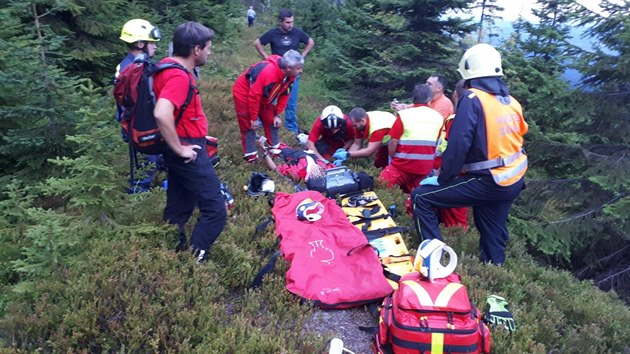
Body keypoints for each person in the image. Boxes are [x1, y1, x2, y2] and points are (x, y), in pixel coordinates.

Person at [411, 43, 528, 265]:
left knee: (421, 197)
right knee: (491, 230)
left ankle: (435, 261)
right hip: (511, 180)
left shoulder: (472, 98)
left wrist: (445, 177)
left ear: (469, 74)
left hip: (490, 181)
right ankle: (495, 275)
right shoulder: (511, 102)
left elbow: (459, 144)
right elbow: (518, 135)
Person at [153, 22, 227, 263]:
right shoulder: (178, 76)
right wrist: (179, 147)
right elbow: (162, 113)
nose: (210, 52)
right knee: (216, 210)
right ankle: (196, 260)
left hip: (181, 143)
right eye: (208, 47)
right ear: (196, 49)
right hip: (186, 149)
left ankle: (171, 249)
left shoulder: (167, 67)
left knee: (179, 204)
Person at [232, 50, 304, 163]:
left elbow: (285, 95)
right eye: (299, 68)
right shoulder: (269, 73)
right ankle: (250, 156)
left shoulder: (290, 76)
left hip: (264, 97)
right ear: (289, 67)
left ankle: (274, 149)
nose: (301, 71)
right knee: (249, 126)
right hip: (245, 94)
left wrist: (277, 114)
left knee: (272, 121)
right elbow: (254, 96)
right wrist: (254, 118)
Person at [115, 19, 162, 193]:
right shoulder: (138, 69)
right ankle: (138, 200)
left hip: (132, 124)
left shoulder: (125, 65)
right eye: (152, 43)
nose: (155, 47)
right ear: (140, 43)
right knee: (146, 168)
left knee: (149, 162)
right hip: (142, 127)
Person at [253, 8, 315, 133]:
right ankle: (263, 122)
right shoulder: (273, 33)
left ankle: (291, 127)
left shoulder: (297, 32)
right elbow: (257, 43)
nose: (290, 25)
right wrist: (266, 57)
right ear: (280, 22)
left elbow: (310, 42)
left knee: (291, 101)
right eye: (287, 22)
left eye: (292, 22)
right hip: (276, 72)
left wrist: (302, 55)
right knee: (270, 98)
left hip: (293, 73)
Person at [378, 84, 443, 193]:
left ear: (413, 99)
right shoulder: (439, 117)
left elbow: (393, 141)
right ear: (429, 100)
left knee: (380, 186)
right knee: (415, 197)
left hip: (401, 166)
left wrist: (392, 157)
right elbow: (437, 143)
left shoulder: (404, 115)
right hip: (424, 169)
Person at [433, 79, 469, 229]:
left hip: (451, 175)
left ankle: (459, 247)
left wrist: (440, 174)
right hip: (458, 174)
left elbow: (450, 150)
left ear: (455, 95)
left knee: (456, 221)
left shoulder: (455, 120)